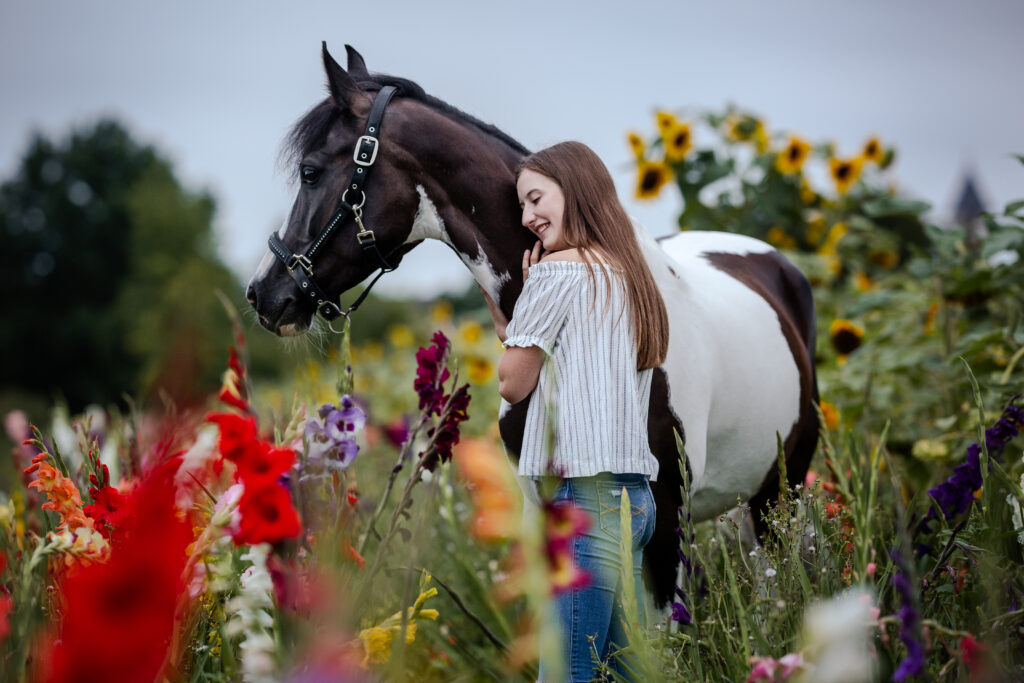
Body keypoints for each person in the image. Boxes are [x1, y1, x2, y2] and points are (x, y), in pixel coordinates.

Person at [481, 141, 670, 681]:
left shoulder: (555, 273)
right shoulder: (630, 276)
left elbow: (514, 384)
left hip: (580, 500)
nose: (527, 217)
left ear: (576, 189)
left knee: (566, 674)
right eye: (522, 206)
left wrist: (527, 295)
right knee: (626, 670)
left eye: (536, 198)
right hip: (632, 498)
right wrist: (515, 323)